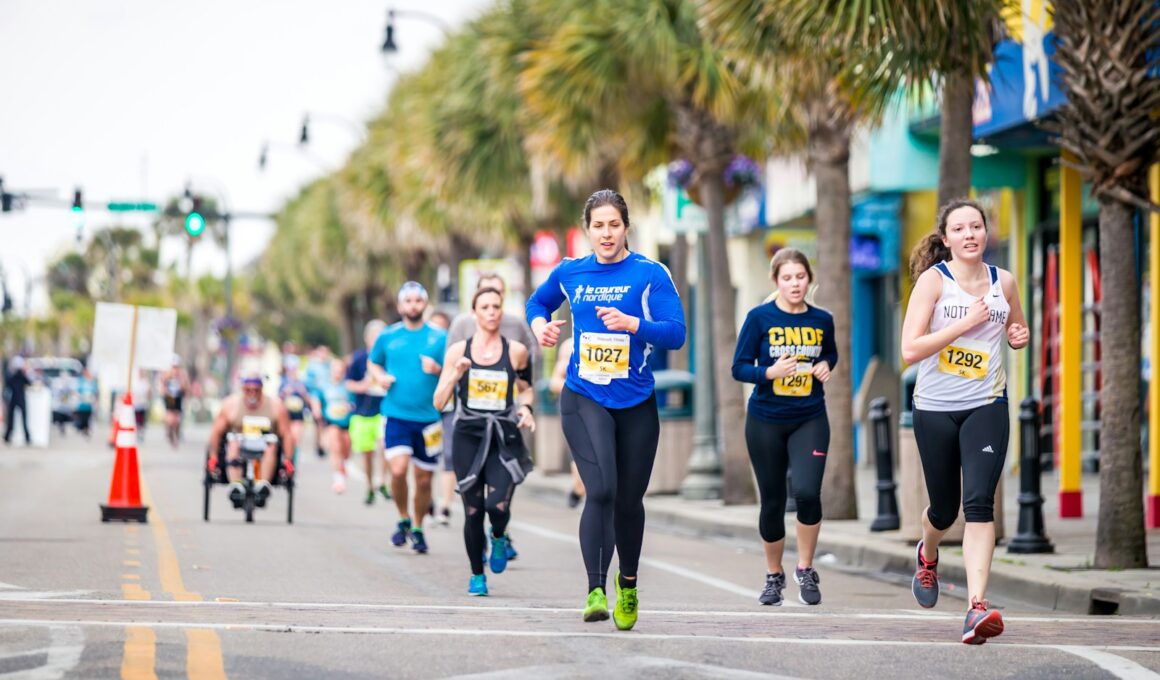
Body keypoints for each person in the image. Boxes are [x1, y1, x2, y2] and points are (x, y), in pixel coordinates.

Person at [526, 189, 686, 630]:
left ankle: (628, 584)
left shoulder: (650, 273)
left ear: (626, 227)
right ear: (588, 229)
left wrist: (633, 324)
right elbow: (536, 303)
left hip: (636, 402)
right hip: (584, 395)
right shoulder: (571, 272)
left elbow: (676, 333)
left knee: (629, 502)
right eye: (598, 225)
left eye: (614, 224)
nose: (607, 233)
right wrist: (541, 327)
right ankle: (595, 589)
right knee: (601, 490)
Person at [901, 198, 1029, 645]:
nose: (970, 234)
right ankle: (929, 552)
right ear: (946, 238)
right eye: (960, 228)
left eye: (977, 226)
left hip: (986, 404)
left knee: (978, 504)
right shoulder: (934, 283)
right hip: (935, 407)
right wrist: (962, 324)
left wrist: (1018, 336)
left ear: (986, 233)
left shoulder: (1004, 282)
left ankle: (976, 607)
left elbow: (1015, 330)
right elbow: (910, 350)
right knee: (943, 509)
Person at [731, 248, 836, 607]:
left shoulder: (822, 320)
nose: (795, 284)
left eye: (801, 277)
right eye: (787, 278)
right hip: (765, 421)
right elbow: (739, 367)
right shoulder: (759, 318)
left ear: (810, 279)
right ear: (776, 282)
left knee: (807, 491)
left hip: (810, 417)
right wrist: (768, 373)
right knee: (773, 502)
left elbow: (830, 353)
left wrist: (825, 366)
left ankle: (805, 567)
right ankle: (774, 575)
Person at [434, 286, 536, 596]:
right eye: (485, 307)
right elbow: (438, 402)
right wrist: (455, 374)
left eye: (496, 306)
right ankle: (477, 575)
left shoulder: (516, 350)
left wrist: (527, 408)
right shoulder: (457, 351)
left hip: (503, 436)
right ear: (474, 313)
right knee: (474, 509)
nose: (491, 312)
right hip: (469, 435)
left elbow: (526, 388)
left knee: (497, 504)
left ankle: (500, 535)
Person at [369, 282, 447, 554]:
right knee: (399, 470)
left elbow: (452, 371)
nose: (413, 305)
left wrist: (437, 369)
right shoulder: (388, 336)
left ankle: (417, 526)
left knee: (424, 479)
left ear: (425, 304)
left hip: (429, 418)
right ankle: (402, 517)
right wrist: (379, 377)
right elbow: (373, 361)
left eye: (418, 300)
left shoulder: (440, 337)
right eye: (408, 301)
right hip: (396, 415)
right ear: (400, 306)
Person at [207, 372, 295, 507]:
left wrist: (288, 460)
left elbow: (287, 434)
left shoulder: (276, 406)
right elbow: (216, 432)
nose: (252, 393)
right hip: (239, 443)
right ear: (243, 389)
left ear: (261, 389)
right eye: (248, 390)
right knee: (233, 443)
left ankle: (263, 484)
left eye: (256, 390)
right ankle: (236, 485)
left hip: (265, 444)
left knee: (271, 445)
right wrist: (213, 458)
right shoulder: (231, 405)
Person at [346, 320, 390, 505]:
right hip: (363, 413)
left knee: (386, 446)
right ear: (367, 339)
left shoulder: (389, 358)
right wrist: (362, 386)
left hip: (385, 410)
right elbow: (348, 383)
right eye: (373, 337)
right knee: (367, 453)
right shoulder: (358, 358)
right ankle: (370, 485)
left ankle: (383, 482)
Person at [550, 337, 586, 508]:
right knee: (583, 480)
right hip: (578, 411)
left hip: (610, 409)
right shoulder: (570, 344)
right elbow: (554, 382)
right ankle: (578, 490)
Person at [321, 358, 354, 493]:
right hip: (331, 422)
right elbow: (319, 401)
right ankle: (338, 479)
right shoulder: (325, 387)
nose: (338, 373)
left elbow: (354, 403)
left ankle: (343, 465)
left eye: (340, 370)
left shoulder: (348, 386)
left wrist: (349, 406)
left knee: (345, 452)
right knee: (335, 447)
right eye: (335, 370)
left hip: (347, 423)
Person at [304, 345, 333, 458]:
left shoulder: (329, 366)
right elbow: (308, 384)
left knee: (325, 421)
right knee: (319, 420)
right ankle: (320, 443)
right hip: (316, 396)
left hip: (328, 397)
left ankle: (323, 442)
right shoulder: (312, 366)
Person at [279, 360, 313, 456]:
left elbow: (309, 399)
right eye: (290, 369)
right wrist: (284, 393)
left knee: (296, 439)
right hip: (286, 414)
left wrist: (303, 393)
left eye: (294, 369)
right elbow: (278, 399)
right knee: (287, 438)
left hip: (298, 414)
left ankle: (293, 462)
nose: (292, 371)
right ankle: (286, 458)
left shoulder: (301, 383)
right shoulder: (283, 382)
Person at [161, 355, 191, 448]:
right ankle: (169, 432)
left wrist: (185, 391)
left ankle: (176, 434)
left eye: (176, 366)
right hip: (169, 397)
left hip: (178, 397)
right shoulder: (166, 374)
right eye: (173, 366)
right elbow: (162, 385)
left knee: (177, 419)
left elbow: (186, 387)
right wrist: (165, 393)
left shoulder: (182, 374)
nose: (175, 369)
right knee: (170, 418)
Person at [3, 357, 31, 445]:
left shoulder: (12, 375)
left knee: (11, 420)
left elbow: (7, 384)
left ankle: (8, 436)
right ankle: (27, 437)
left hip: (13, 399)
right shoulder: (21, 376)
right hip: (21, 399)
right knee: (24, 419)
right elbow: (29, 383)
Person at [74, 366, 98, 438]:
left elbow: (95, 391)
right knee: (82, 416)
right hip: (82, 403)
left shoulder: (92, 382)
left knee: (88, 416)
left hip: (89, 403)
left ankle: (86, 429)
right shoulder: (81, 381)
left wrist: (94, 399)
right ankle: (82, 428)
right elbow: (77, 391)